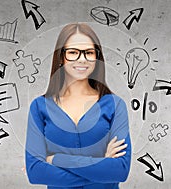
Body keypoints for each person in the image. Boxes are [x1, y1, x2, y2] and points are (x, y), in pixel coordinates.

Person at [25, 23, 131, 189]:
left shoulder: (115, 105)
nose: (82, 59)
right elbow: (36, 172)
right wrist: (102, 165)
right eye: (73, 52)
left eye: (89, 53)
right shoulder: (39, 107)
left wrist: (56, 159)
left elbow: (120, 171)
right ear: (61, 57)